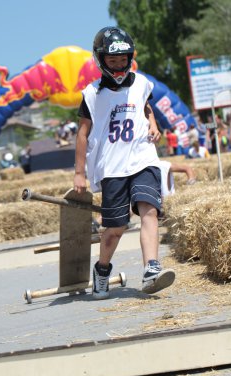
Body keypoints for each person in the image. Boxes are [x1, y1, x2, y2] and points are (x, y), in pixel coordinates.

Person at [74, 26, 175, 300]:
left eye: (123, 59)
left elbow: (145, 106)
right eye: (113, 60)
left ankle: (151, 269)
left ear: (130, 57)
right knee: (115, 230)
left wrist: (153, 124)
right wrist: (79, 174)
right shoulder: (92, 95)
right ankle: (102, 269)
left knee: (150, 211)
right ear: (101, 59)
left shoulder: (142, 83)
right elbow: (82, 134)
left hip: (143, 158)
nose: (119, 65)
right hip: (113, 167)